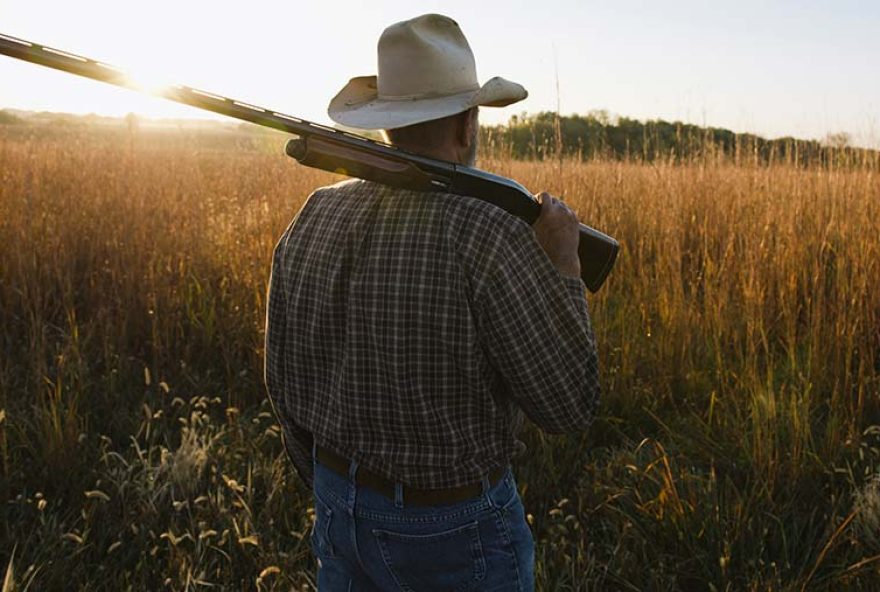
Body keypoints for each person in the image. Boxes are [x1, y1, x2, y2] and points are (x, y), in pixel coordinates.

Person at [264, 13, 600, 591]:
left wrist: (334, 483)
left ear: (388, 123)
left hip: (337, 506)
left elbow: (283, 381)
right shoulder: (491, 230)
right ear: (469, 123)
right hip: (454, 529)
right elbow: (569, 405)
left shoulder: (315, 213)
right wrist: (565, 267)